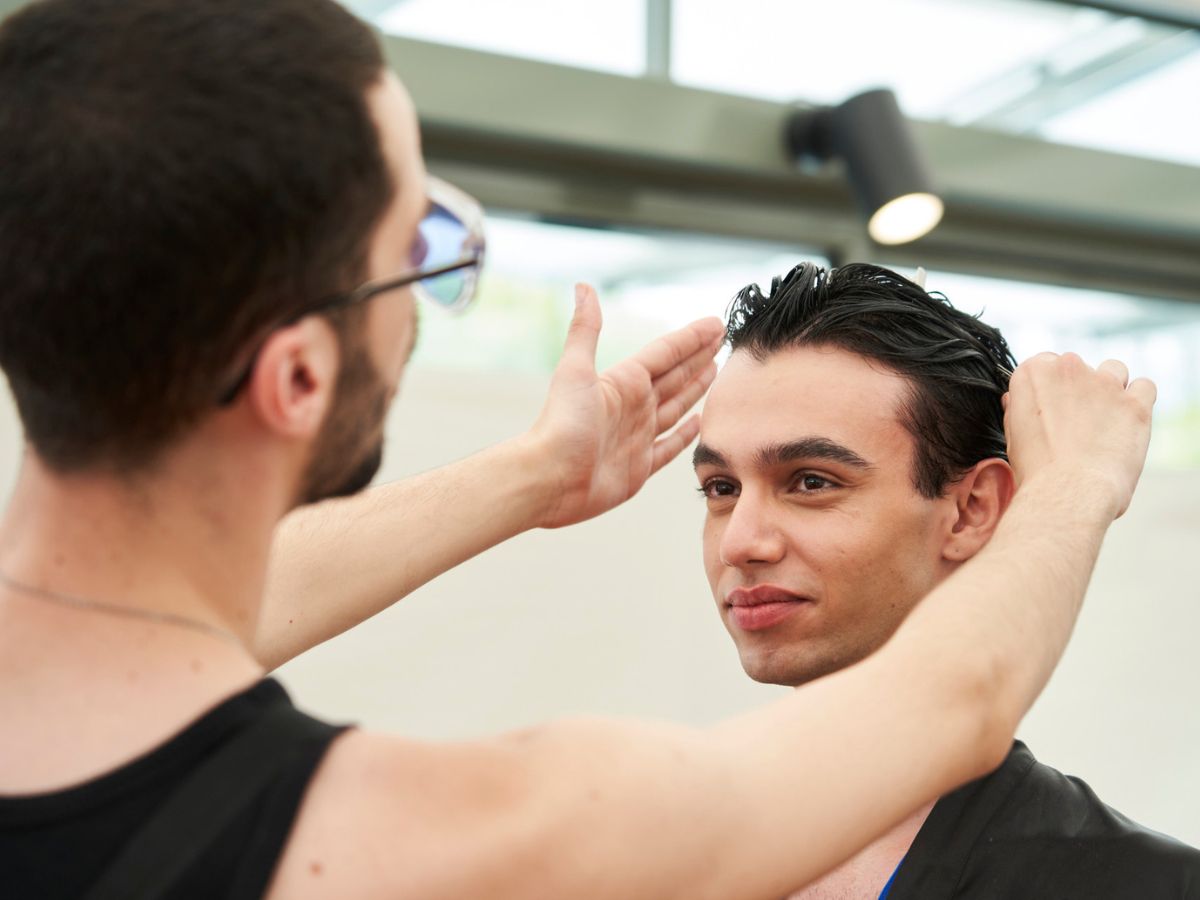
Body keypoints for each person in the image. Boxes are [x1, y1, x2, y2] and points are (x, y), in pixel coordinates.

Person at [0, 1, 1157, 898]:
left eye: (807, 481)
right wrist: (1078, 489)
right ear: (299, 375)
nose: (747, 536)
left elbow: (170, 617)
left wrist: (534, 476)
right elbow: (952, 704)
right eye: (422, 253)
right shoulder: (435, 837)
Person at [693, 261, 1200, 899]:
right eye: (720, 488)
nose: (740, 541)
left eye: (812, 481)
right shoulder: (656, 858)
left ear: (973, 510)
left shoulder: (1141, 886)